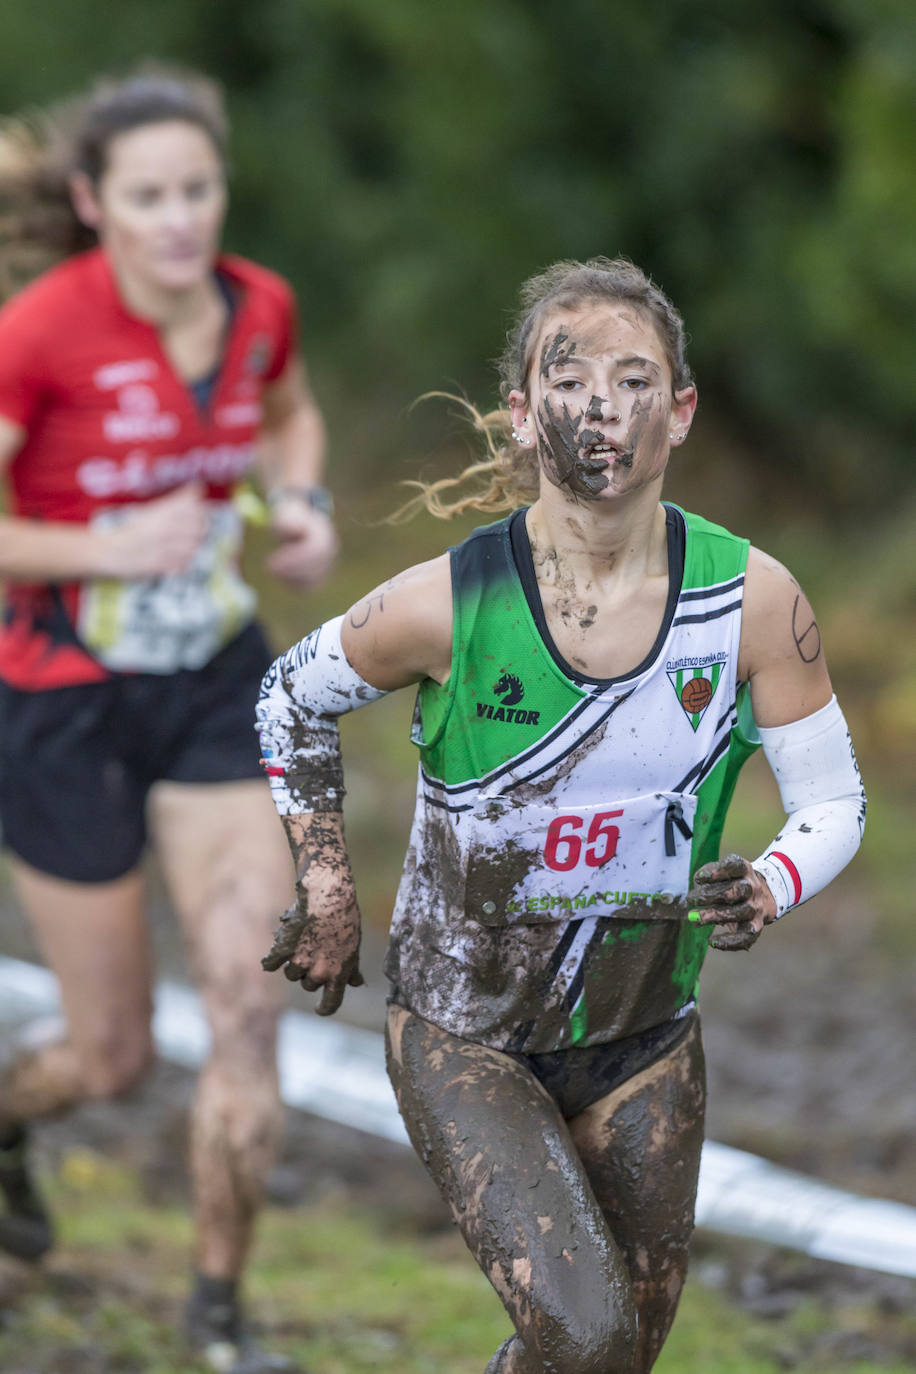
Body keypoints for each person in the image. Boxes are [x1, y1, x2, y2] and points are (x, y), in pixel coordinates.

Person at [255, 256, 866, 1373]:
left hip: (645, 1034)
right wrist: (329, 891)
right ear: (522, 409)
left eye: (634, 379)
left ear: (678, 413)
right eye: (568, 374)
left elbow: (833, 802)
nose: (600, 404)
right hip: (467, 1036)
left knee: (613, 1357)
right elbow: (289, 695)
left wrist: (772, 879)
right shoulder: (450, 601)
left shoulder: (753, 598)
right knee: (582, 1341)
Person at [0, 66, 337, 1374]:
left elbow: (292, 414)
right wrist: (102, 541)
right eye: (149, 196)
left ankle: (218, 1315)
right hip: (56, 699)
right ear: (96, 203)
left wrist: (298, 504)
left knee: (251, 1002)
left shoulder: (259, 307)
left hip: (210, 683)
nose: (180, 218)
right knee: (111, 1053)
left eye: (198, 189)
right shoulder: (39, 331)